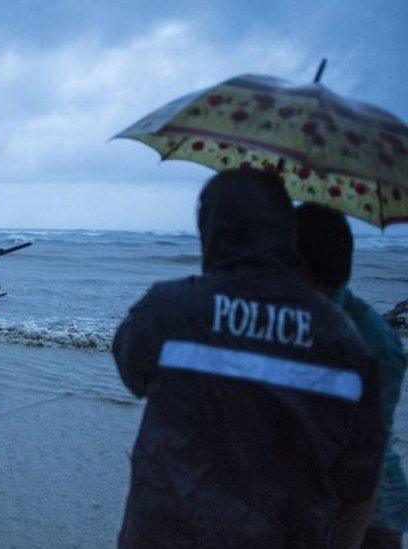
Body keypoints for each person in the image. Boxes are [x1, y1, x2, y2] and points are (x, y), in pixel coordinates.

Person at [112, 168, 386, 547]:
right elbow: (360, 477)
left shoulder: (169, 311)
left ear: (212, 230)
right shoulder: (346, 341)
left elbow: (132, 373)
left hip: (167, 532)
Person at [296, 202, 408, 548]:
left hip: (370, 517)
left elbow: (367, 456)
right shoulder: (301, 317)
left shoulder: (372, 343)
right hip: (317, 503)